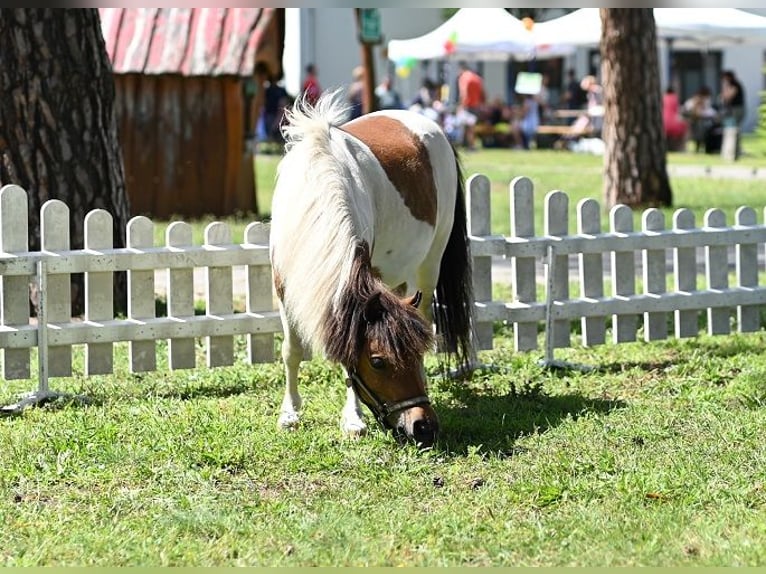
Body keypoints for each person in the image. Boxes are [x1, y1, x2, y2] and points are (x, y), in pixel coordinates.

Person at [683, 86, 717, 153]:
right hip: (693, 126)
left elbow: (710, 113)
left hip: (701, 125)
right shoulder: (690, 103)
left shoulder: (705, 104)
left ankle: (700, 146)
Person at [719, 70, 745, 157]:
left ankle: (735, 150)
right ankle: (735, 150)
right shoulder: (732, 85)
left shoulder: (734, 85)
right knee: (733, 129)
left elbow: (727, 97)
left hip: (736, 109)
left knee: (733, 129)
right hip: (733, 109)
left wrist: (724, 90)